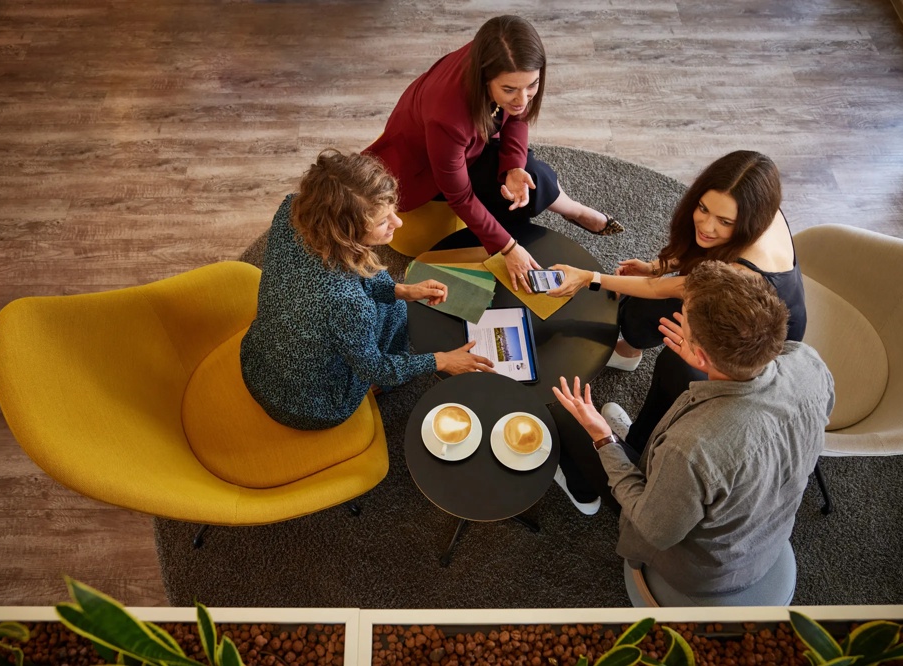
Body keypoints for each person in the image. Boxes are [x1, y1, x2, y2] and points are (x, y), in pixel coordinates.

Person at [552, 261, 834, 606]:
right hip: (762, 525)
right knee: (674, 365)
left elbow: (653, 527)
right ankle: (642, 450)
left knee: (567, 419)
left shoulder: (690, 449)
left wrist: (601, 437)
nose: (679, 318)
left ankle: (586, 486)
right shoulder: (809, 361)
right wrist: (701, 362)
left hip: (703, 570)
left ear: (701, 352)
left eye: (682, 315)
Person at [549, 151, 807, 476]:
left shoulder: (746, 273)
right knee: (643, 305)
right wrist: (658, 266)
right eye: (702, 208)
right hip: (727, 298)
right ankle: (629, 350)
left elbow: (668, 288)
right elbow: (708, 252)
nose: (707, 225)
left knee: (677, 369)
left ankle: (639, 446)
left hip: (752, 346)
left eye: (725, 222)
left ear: (749, 220)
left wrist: (590, 279)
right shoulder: (757, 213)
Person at [240, 149, 493, 431]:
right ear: (346, 233)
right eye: (384, 221)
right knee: (393, 312)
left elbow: (346, 270)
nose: (397, 223)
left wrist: (403, 290)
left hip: (258, 363)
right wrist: (443, 360)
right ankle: (380, 388)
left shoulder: (293, 209)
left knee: (394, 301)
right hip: (311, 405)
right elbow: (375, 366)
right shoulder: (348, 303)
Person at [365, 15, 621, 291]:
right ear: (484, 78)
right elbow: (459, 196)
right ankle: (570, 210)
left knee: (527, 175)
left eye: (531, 86)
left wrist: (513, 167)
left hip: (472, 140)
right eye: (510, 89)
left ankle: (574, 210)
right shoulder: (446, 117)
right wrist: (508, 248)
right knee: (511, 200)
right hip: (424, 166)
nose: (522, 100)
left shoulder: (498, 57)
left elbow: (517, 116)